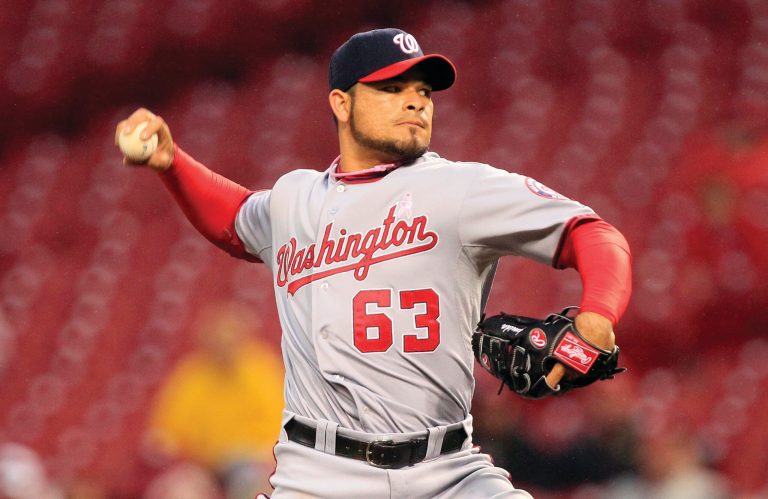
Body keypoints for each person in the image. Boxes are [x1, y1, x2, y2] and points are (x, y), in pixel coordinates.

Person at [115, 28, 631, 498]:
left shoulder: (461, 188)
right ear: (341, 103)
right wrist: (171, 162)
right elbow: (234, 219)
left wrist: (599, 313)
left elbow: (592, 234)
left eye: (423, 92)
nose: (415, 103)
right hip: (319, 476)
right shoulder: (295, 197)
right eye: (391, 89)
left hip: (448, 470)